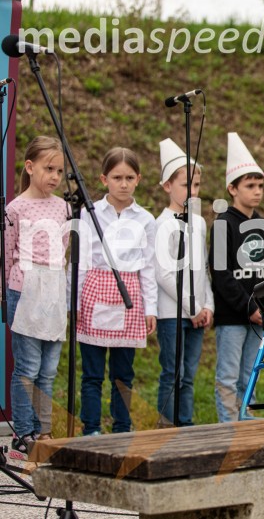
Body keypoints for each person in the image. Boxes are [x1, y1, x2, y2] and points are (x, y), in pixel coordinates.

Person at [77, 147, 157, 435]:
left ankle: (122, 428)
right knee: (92, 374)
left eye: (129, 177)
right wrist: (74, 303)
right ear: (103, 179)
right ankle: (91, 429)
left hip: (129, 297)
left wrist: (151, 309)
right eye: (116, 177)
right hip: (95, 291)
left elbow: (148, 268)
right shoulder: (90, 214)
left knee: (123, 374)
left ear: (138, 179)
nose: (123, 184)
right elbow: (82, 260)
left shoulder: (145, 220)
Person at [4, 136, 70, 456]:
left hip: (54, 289)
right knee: (28, 365)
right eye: (49, 168)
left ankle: (43, 430)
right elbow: (6, 252)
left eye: (59, 170)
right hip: (25, 287)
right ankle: (23, 432)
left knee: (49, 367)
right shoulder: (15, 208)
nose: (55, 176)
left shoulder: (64, 207)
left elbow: (64, 246)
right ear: (30, 167)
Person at [210, 132, 264, 423]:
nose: (257, 191)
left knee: (250, 372)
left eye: (260, 185)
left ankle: (244, 415)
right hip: (234, 315)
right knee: (228, 373)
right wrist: (248, 307)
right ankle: (228, 423)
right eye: (250, 186)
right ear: (232, 189)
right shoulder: (223, 224)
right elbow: (221, 274)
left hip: (260, 317)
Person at [155, 139, 214, 426]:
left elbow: (202, 268)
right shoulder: (162, 224)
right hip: (172, 313)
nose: (192, 191)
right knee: (173, 373)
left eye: (197, 186)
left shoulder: (199, 222)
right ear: (168, 186)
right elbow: (165, 273)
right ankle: (167, 426)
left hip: (197, 312)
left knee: (188, 375)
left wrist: (208, 305)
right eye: (186, 185)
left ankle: (186, 427)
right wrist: (193, 307)